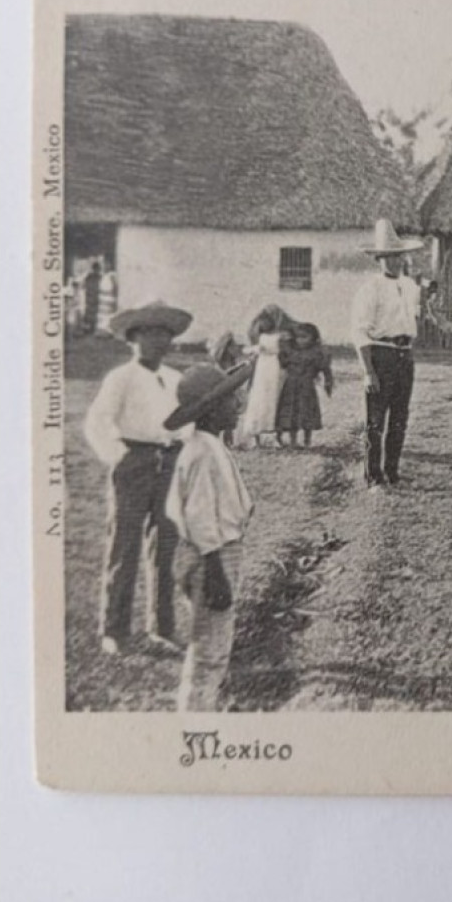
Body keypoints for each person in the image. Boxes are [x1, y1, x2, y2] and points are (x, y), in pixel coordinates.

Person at [83, 300, 194, 655]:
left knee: (165, 548)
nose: (157, 340)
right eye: (149, 334)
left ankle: (162, 626)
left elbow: (186, 421)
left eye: (164, 333)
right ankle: (114, 630)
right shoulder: (122, 378)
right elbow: (97, 422)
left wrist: (183, 450)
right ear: (133, 339)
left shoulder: (176, 379)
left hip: (169, 463)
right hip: (135, 463)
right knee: (124, 545)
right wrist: (119, 456)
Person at [161, 362, 255, 712]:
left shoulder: (209, 444)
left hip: (217, 550)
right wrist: (214, 570)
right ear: (212, 410)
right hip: (209, 555)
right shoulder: (201, 453)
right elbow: (199, 518)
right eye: (232, 401)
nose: (239, 406)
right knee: (209, 646)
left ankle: (207, 701)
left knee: (215, 632)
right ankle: (196, 716)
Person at [351, 218, 427, 489]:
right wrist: (369, 371)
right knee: (375, 420)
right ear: (379, 259)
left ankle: (392, 471)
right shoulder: (370, 289)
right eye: (388, 258)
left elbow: (414, 317)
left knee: (400, 418)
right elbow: (360, 333)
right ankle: (373, 477)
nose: (395, 262)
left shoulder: (410, 287)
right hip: (381, 354)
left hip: (405, 355)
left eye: (398, 257)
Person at [236, 306, 290, 447]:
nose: (263, 325)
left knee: (274, 397)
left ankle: (275, 435)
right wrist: (252, 350)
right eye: (261, 322)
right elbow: (254, 350)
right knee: (260, 397)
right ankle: (256, 436)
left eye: (266, 322)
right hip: (262, 367)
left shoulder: (280, 336)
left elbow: (284, 351)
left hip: (274, 366)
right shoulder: (261, 337)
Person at [276, 322, 334, 447]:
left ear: (313, 338)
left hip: (307, 387)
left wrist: (328, 383)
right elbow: (283, 363)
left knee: (307, 412)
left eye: (304, 337)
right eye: (298, 337)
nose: (300, 340)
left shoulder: (317, 352)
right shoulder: (290, 351)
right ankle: (293, 441)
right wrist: (282, 347)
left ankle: (307, 441)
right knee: (292, 413)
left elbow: (325, 369)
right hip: (291, 386)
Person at [82, 261, 102, 336]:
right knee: (90, 313)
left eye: (98, 269)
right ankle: (87, 329)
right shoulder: (90, 277)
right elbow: (85, 286)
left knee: (93, 313)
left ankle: (91, 328)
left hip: (94, 297)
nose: (97, 270)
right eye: (96, 269)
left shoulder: (97, 277)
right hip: (91, 297)